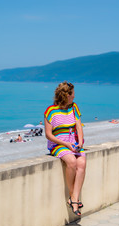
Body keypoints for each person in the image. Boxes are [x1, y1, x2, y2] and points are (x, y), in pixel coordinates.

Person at [44, 81, 86, 216]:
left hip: (73, 143)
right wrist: (65, 144)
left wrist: (79, 142)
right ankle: (73, 197)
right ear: (66, 95)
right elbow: (48, 135)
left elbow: (79, 126)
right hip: (58, 145)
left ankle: (74, 197)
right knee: (72, 162)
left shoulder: (74, 107)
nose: (74, 97)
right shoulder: (50, 111)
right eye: (72, 94)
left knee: (82, 163)